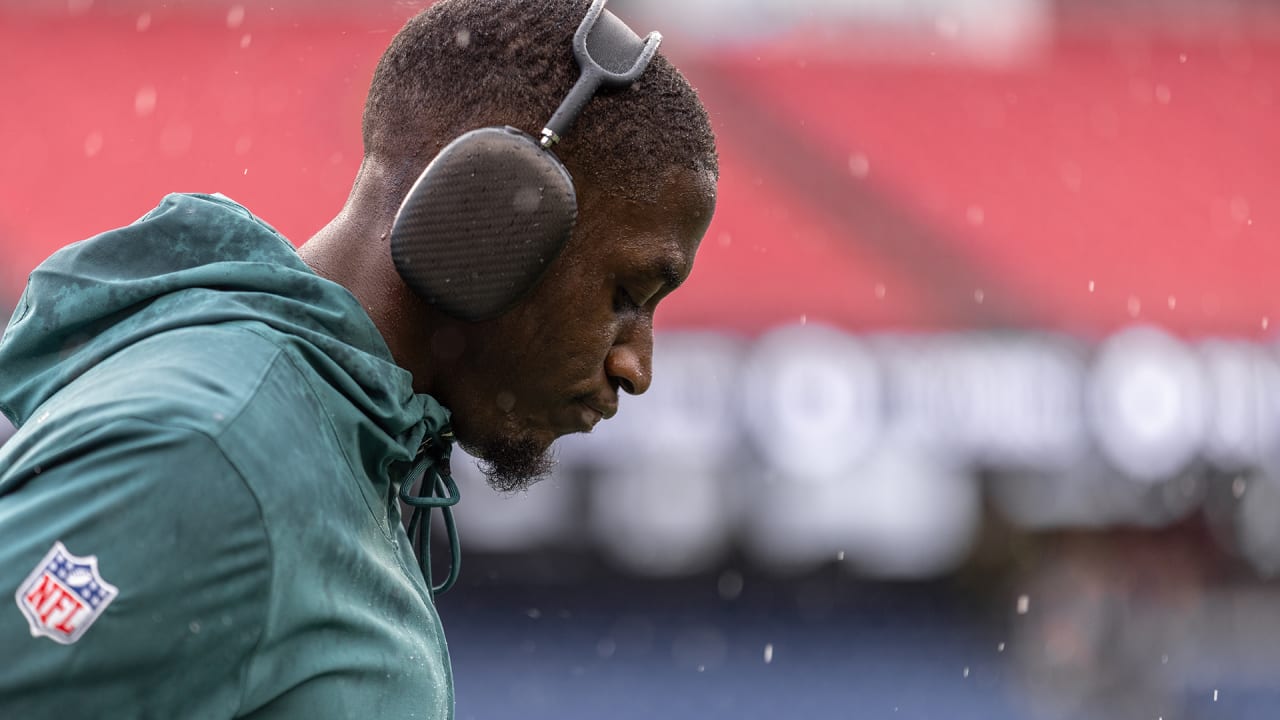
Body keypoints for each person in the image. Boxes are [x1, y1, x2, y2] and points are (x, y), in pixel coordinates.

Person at [0, 0, 717, 716]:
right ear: (495, 214)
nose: (636, 366)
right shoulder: (215, 457)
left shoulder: (329, 443)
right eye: (628, 294)